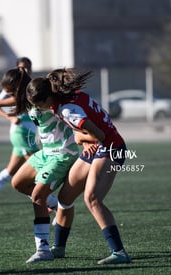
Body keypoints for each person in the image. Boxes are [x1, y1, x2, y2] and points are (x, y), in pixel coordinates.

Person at [24, 68, 132, 265]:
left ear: (47, 99)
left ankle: (119, 252)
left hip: (111, 149)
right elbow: (92, 125)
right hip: (96, 149)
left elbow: (97, 134)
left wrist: (80, 137)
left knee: (92, 198)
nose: (37, 109)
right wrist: (84, 139)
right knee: (65, 198)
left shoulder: (66, 109)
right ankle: (59, 248)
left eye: (38, 105)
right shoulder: (69, 97)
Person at [0, 68, 80, 263]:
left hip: (63, 153)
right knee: (18, 183)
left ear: (19, 89)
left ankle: (43, 249)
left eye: (10, 92)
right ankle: (58, 207)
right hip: (46, 152)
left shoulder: (44, 97)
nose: (8, 96)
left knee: (37, 196)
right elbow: (15, 102)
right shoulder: (29, 97)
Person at [0, 57, 40, 198]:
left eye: (28, 67)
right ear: (17, 69)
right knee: (40, 167)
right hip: (22, 131)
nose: (26, 70)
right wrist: (9, 117)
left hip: (28, 132)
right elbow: (1, 105)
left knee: (11, 171)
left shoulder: (31, 87)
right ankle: (50, 203)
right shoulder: (12, 86)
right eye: (22, 68)